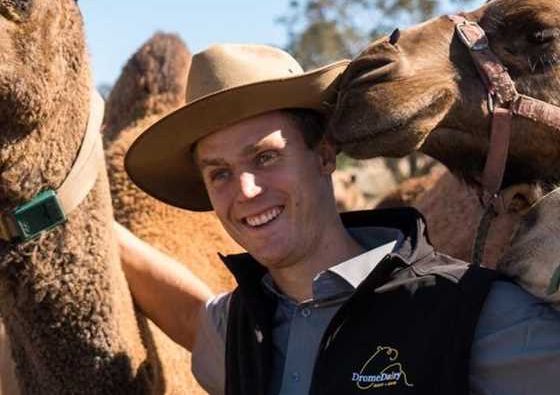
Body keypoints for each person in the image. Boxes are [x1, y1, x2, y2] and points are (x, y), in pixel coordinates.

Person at [117, 43, 560, 395]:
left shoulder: (474, 314)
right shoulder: (235, 331)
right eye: (220, 173)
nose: (246, 190)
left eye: (266, 157)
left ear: (324, 154)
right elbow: (190, 316)